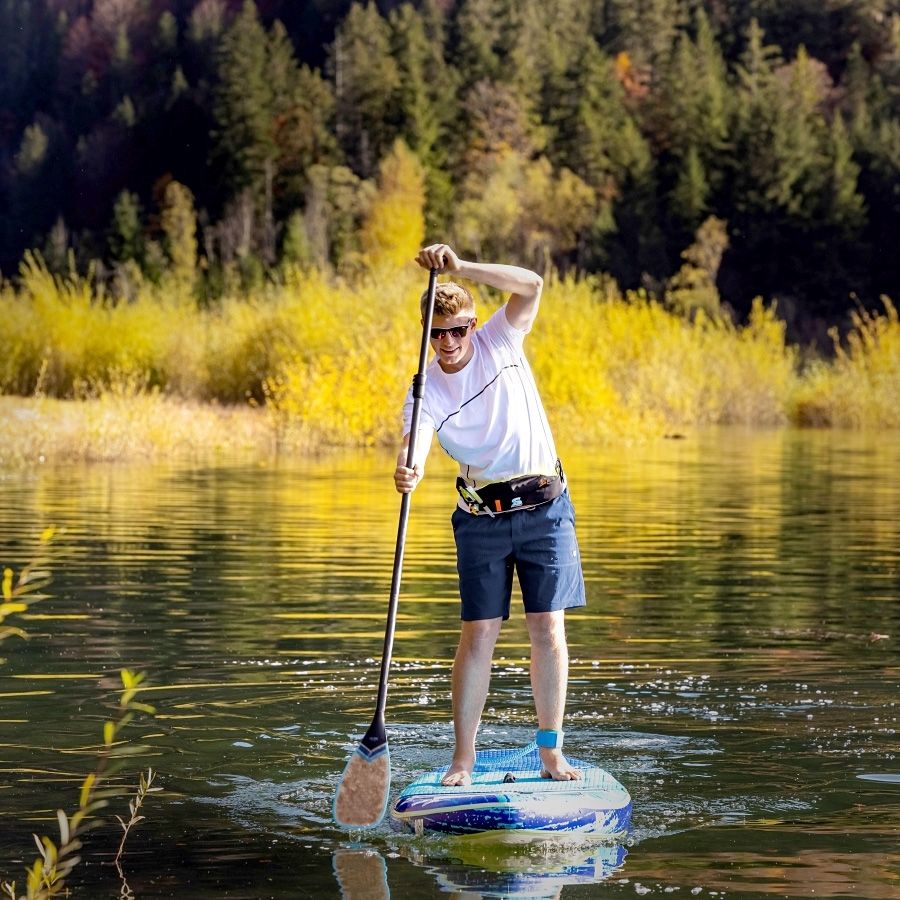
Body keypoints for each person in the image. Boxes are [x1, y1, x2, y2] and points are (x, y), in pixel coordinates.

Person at [394, 243, 586, 786]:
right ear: (427, 336)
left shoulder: (502, 337)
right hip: (480, 518)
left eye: (458, 330)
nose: (450, 342)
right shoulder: (424, 388)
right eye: (438, 333)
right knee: (478, 634)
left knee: (547, 627)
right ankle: (463, 759)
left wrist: (462, 268)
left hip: (545, 507)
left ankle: (551, 751)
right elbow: (417, 440)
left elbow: (533, 283)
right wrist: (409, 469)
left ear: (474, 326)